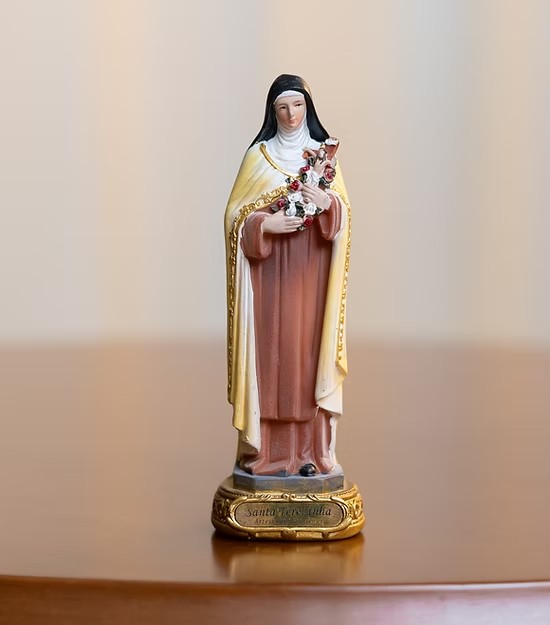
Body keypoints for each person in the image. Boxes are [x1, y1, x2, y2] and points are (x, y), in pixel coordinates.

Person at [224, 74, 351, 477]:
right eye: (282, 107)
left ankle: (309, 452)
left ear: (307, 109)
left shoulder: (322, 156)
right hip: (267, 280)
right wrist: (265, 225)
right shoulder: (258, 158)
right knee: (271, 361)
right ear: (272, 111)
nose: (291, 115)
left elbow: (343, 217)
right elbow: (235, 216)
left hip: (309, 276)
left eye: (297, 106)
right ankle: (268, 453)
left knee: (305, 359)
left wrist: (326, 203)